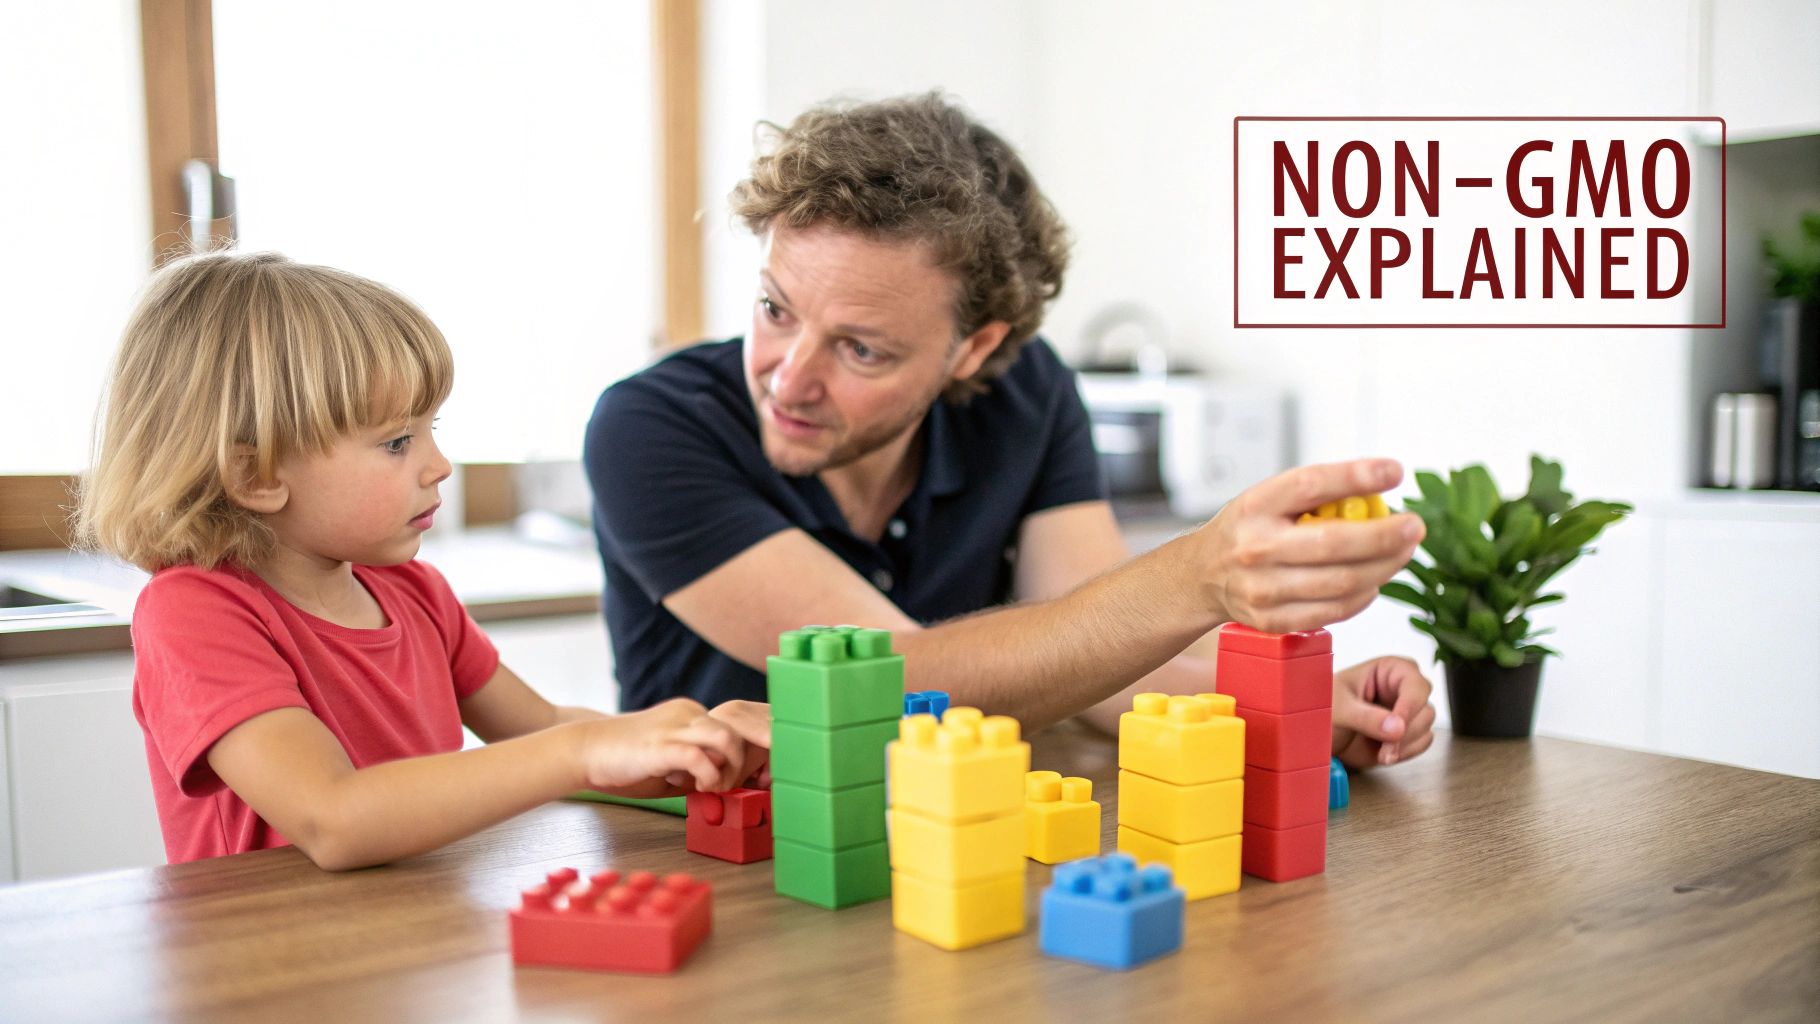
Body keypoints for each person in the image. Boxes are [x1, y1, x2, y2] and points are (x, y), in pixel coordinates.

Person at [586, 93, 1435, 769]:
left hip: (960, 842)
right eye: (775, 309)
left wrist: (1295, 707)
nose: (787, 375)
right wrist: (1199, 574)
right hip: (713, 862)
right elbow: (886, 683)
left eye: (861, 348)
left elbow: (1103, 656)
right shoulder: (649, 429)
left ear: (975, 348)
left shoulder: (1026, 394)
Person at [77, 251, 769, 869]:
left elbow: (547, 731)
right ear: (256, 476)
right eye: (396, 442)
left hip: (414, 948)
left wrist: (687, 749)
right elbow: (333, 816)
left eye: (430, 429)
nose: (440, 465)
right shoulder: (194, 613)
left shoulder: (413, 592)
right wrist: (585, 751)